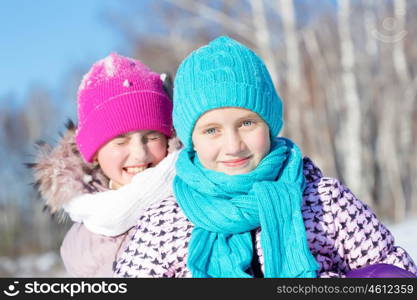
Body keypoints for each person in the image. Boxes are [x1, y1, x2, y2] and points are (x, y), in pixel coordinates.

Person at [112, 36, 417, 278]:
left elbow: (392, 270)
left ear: (269, 124)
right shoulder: (163, 223)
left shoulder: (322, 200)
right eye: (211, 130)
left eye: (246, 123)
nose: (233, 146)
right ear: (190, 139)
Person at [32, 53, 181, 277]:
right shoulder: (78, 244)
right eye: (121, 141)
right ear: (94, 154)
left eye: (152, 137)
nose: (140, 153)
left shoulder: (191, 200)